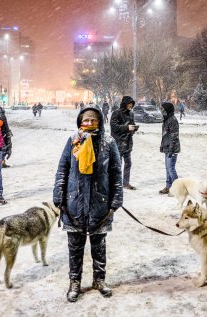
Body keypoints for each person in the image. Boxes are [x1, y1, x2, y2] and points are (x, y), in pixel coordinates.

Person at [53, 105, 123, 302]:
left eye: (94, 119)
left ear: (100, 121)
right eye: (86, 120)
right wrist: (59, 195)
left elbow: (116, 173)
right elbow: (62, 170)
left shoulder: (109, 142)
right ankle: (74, 281)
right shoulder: (73, 141)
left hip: (99, 203)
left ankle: (99, 280)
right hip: (74, 203)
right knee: (75, 246)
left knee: (99, 246)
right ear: (80, 122)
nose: (90, 123)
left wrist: (116, 199)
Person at [110, 96, 138, 190]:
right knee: (118, 164)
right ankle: (116, 183)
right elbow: (114, 127)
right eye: (129, 104)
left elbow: (132, 125)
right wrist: (127, 128)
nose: (131, 106)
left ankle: (126, 182)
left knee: (128, 163)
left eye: (132, 104)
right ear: (125, 103)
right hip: (118, 142)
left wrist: (134, 129)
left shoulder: (131, 114)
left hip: (128, 142)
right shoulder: (116, 113)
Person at [158, 102, 180, 194]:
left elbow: (174, 136)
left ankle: (178, 188)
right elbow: (165, 135)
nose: (162, 111)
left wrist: (171, 149)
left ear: (167, 110)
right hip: (167, 147)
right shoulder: (166, 119)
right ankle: (168, 186)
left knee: (171, 168)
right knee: (167, 168)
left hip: (172, 148)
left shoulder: (172, 120)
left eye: (163, 109)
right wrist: (162, 145)